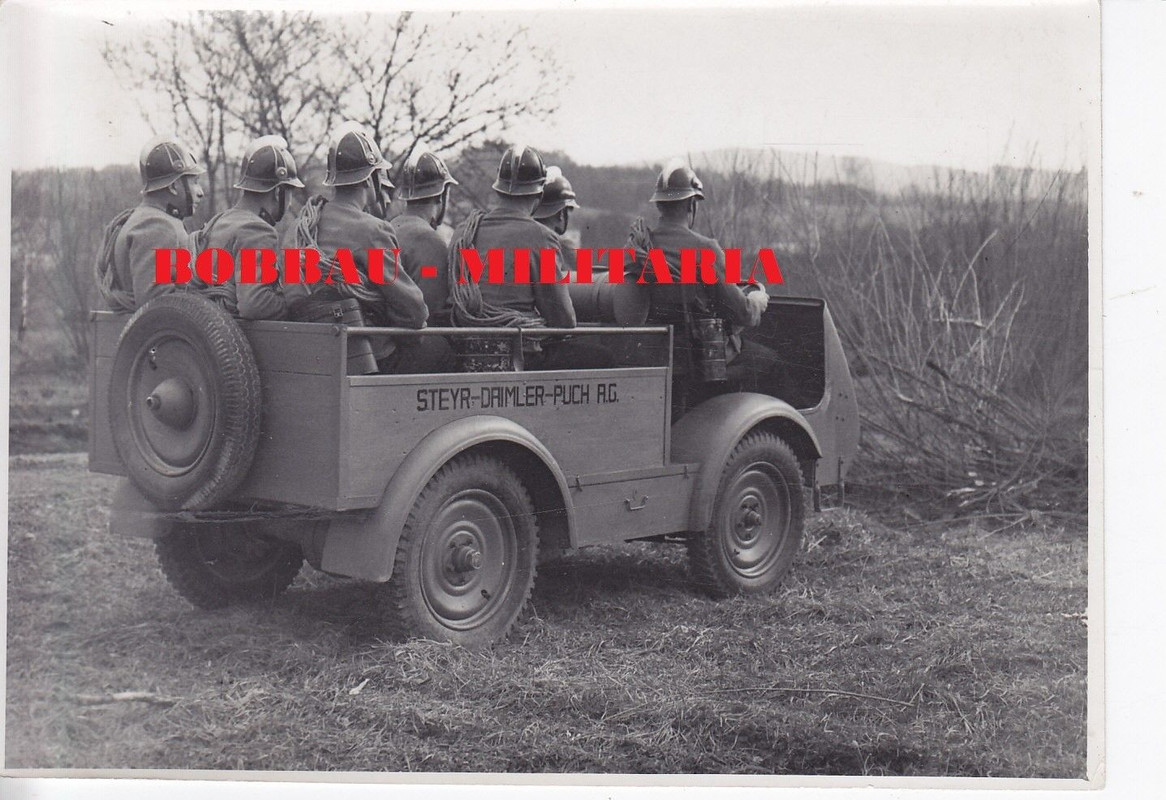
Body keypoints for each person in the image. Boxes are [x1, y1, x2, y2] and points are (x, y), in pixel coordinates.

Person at [292, 122, 450, 374]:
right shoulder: (371, 230)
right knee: (441, 349)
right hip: (366, 356)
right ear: (370, 179)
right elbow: (413, 310)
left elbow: (295, 296)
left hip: (309, 350)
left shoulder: (300, 228)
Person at [627, 159, 780, 411]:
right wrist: (756, 301)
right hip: (699, 363)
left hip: (653, 356)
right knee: (771, 361)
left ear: (660, 205)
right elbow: (742, 313)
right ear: (691, 204)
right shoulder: (705, 249)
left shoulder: (639, 247)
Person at [447, 144, 611, 370]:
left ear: (498, 190)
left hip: (467, 354)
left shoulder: (464, 232)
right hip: (520, 357)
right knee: (603, 357)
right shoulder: (541, 237)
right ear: (539, 194)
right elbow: (563, 320)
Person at [195, 135, 307, 320]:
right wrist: (294, 304)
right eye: (290, 192)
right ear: (278, 192)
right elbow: (255, 304)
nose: (289, 202)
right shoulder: (257, 231)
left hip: (208, 327)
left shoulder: (219, 221)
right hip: (236, 333)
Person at [96, 136, 206, 312]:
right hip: (167, 329)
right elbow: (156, 304)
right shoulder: (157, 226)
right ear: (173, 186)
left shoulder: (152, 219)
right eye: (194, 182)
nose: (200, 192)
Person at [389, 148, 459, 326]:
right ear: (442, 195)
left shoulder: (389, 227)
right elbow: (432, 310)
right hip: (411, 335)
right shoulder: (430, 241)